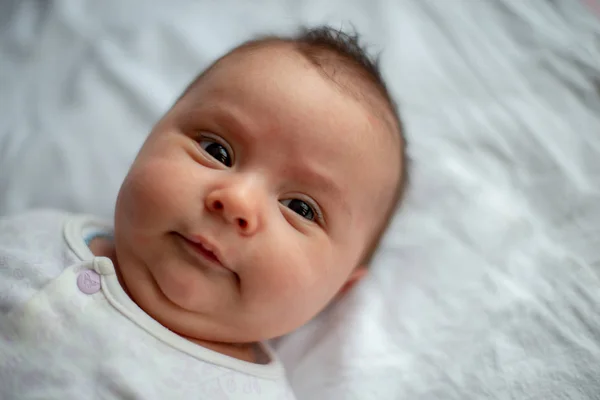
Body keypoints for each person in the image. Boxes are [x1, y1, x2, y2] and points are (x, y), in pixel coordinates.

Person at [0, 26, 407, 399]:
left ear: (337, 291)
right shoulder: (31, 233)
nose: (236, 200)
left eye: (300, 208)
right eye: (216, 151)